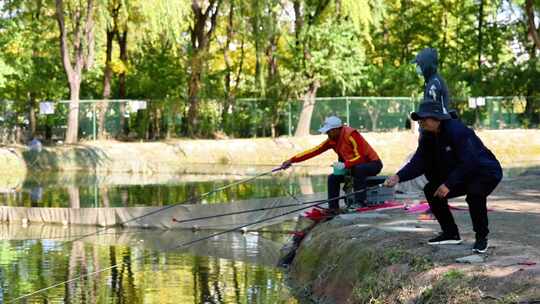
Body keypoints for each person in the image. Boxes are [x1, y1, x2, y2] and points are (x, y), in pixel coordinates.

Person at [384, 100, 502, 253]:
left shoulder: (457, 131)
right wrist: (398, 177)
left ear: (437, 118)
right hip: (463, 171)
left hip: (485, 171)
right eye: (419, 119)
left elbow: (469, 161)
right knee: (431, 190)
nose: (421, 122)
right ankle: (450, 233)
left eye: (424, 119)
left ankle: (481, 238)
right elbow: (419, 161)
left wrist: (449, 184)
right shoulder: (427, 135)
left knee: (475, 194)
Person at [282, 116, 383, 213]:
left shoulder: (351, 135)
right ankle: (333, 208)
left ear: (337, 129)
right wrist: (291, 160)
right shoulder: (331, 140)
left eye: (328, 131)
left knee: (359, 169)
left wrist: (345, 165)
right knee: (333, 178)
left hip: (372, 164)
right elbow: (313, 151)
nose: (327, 133)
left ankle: (360, 203)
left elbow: (361, 157)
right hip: (352, 167)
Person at [412, 47, 452, 115]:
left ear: (425, 65)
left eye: (419, 64)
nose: (417, 67)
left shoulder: (434, 84)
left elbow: (433, 114)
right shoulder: (431, 81)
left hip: (439, 124)